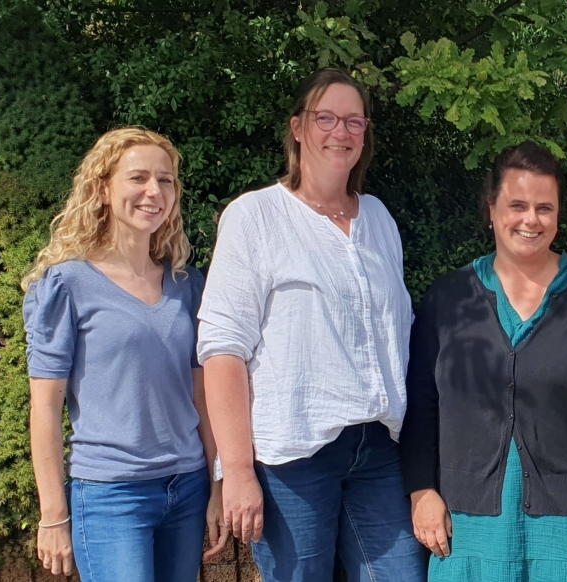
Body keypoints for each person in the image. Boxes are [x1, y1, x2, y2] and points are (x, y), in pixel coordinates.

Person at [197, 67, 425, 581]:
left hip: (379, 450)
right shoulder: (254, 216)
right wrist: (235, 470)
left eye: (354, 122)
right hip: (294, 455)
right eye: (326, 118)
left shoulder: (380, 220)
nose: (340, 132)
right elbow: (223, 347)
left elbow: (400, 334)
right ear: (298, 128)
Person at [401, 141, 567, 581]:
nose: (530, 220)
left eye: (544, 208)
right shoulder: (448, 299)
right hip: (467, 523)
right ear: (491, 208)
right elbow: (421, 407)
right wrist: (422, 491)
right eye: (517, 205)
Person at [22, 127, 226, 580]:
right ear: (102, 189)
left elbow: (203, 397)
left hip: (187, 487)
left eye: (166, 180)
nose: (154, 191)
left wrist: (216, 484)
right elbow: (46, 406)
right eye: (138, 178)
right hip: (111, 496)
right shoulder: (66, 285)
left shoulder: (186, 286)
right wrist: (53, 515)